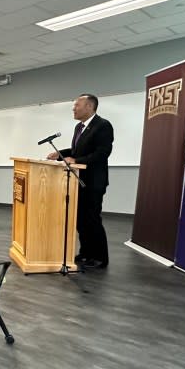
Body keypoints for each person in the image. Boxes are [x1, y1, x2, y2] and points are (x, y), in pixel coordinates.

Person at [47, 93, 114, 269]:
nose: (73, 108)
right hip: (77, 180)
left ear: (90, 107)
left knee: (92, 218)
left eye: (77, 105)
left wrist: (77, 161)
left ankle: (100, 257)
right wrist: (60, 154)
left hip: (94, 182)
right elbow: (77, 150)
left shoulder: (103, 125)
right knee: (80, 219)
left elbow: (102, 152)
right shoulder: (79, 127)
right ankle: (86, 253)